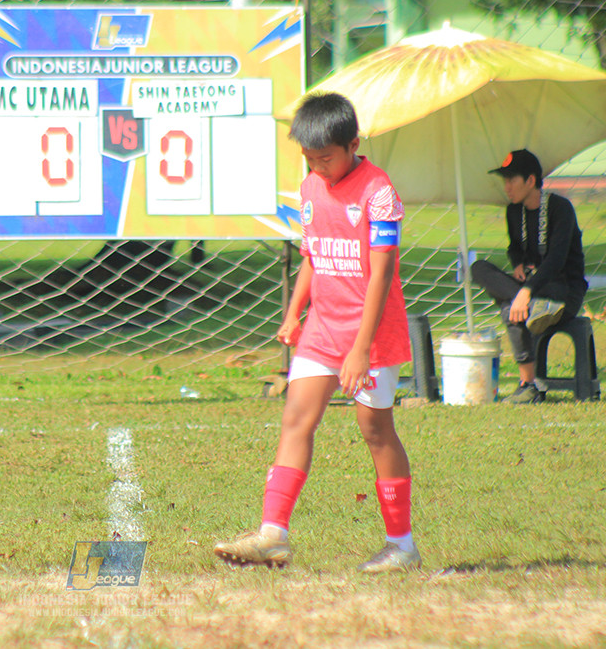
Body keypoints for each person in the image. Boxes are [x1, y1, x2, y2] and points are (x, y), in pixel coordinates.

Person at [213, 92, 421, 573]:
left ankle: (402, 545)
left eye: (325, 158)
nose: (318, 168)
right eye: (310, 158)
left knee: (375, 429)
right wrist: (294, 312)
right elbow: (314, 255)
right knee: (295, 420)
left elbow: (382, 272)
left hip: (370, 335)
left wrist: (361, 349)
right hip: (322, 331)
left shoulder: (379, 193)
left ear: (354, 144)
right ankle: (272, 535)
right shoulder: (310, 188)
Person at [470, 149, 587, 404]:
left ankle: (528, 384)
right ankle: (529, 382)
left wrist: (525, 292)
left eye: (512, 180)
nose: (507, 187)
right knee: (477, 268)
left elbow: (556, 260)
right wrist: (519, 264)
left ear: (531, 181)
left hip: (563, 290)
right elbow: (515, 246)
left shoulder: (560, 208)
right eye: (505, 181)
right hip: (533, 290)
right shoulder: (514, 211)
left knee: (509, 308)